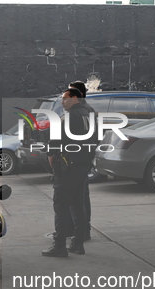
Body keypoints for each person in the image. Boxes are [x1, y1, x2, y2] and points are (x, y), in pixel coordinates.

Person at [42, 88, 97, 257]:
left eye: (65, 99)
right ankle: (78, 243)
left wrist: (53, 161)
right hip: (83, 165)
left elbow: (54, 143)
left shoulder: (69, 117)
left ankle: (59, 246)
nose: (62, 102)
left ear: (75, 98)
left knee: (61, 206)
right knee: (78, 204)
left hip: (67, 167)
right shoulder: (91, 113)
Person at [68, 81, 94, 241]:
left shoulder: (75, 112)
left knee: (75, 199)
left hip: (75, 161)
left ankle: (78, 233)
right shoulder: (89, 111)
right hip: (85, 159)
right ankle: (84, 231)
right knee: (83, 196)